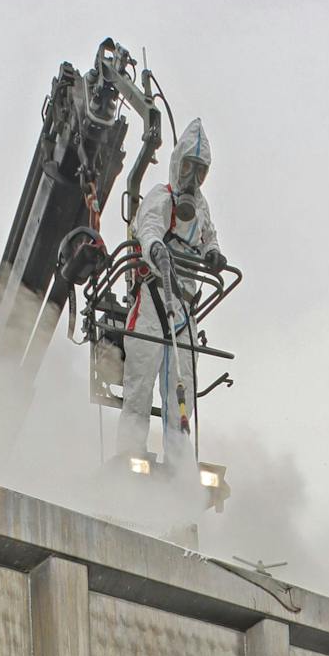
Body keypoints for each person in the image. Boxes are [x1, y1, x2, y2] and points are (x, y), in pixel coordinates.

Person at [116, 117, 225, 480]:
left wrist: (213, 253)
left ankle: (179, 464)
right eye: (188, 168)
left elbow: (209, 236)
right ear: (177, 165)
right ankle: (130, 451)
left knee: (183, 394)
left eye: (200, 171)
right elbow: (147, 228)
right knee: (140, 384)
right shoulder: (160, 198)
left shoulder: (202, 209)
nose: (192, 178)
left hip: (185, 310)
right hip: (151, 300)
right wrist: (156, 250)